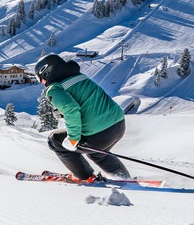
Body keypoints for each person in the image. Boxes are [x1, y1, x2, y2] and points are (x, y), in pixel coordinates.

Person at [35, 53, 131, 182]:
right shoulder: (80, 78)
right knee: (98, 153)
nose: (41, 82)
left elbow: (71, 109)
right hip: (118, 125)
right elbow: (88, 102)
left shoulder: (54, 88)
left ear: (45, 72)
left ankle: (86, 176)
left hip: (97, 134)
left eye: (39, 78)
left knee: (55, 140)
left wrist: (73, 138)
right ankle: (123, 177)